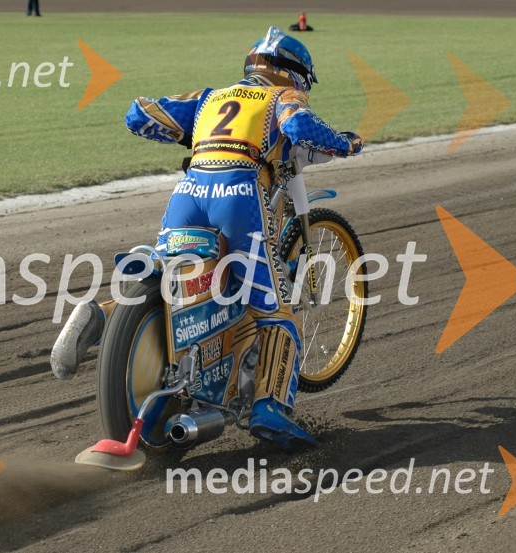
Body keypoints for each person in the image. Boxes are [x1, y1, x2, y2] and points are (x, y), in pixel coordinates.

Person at [52, 27, 362, 445]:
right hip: (239, 196)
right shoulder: (282, 97)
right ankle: (269, 409)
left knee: (171, 282)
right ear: (294, 74)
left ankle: (104, 314)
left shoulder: (211, 98)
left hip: (189, 193)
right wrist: (345, 142)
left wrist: (195, 137)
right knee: (276, 312)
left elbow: (139, 114)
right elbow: (303, 127)